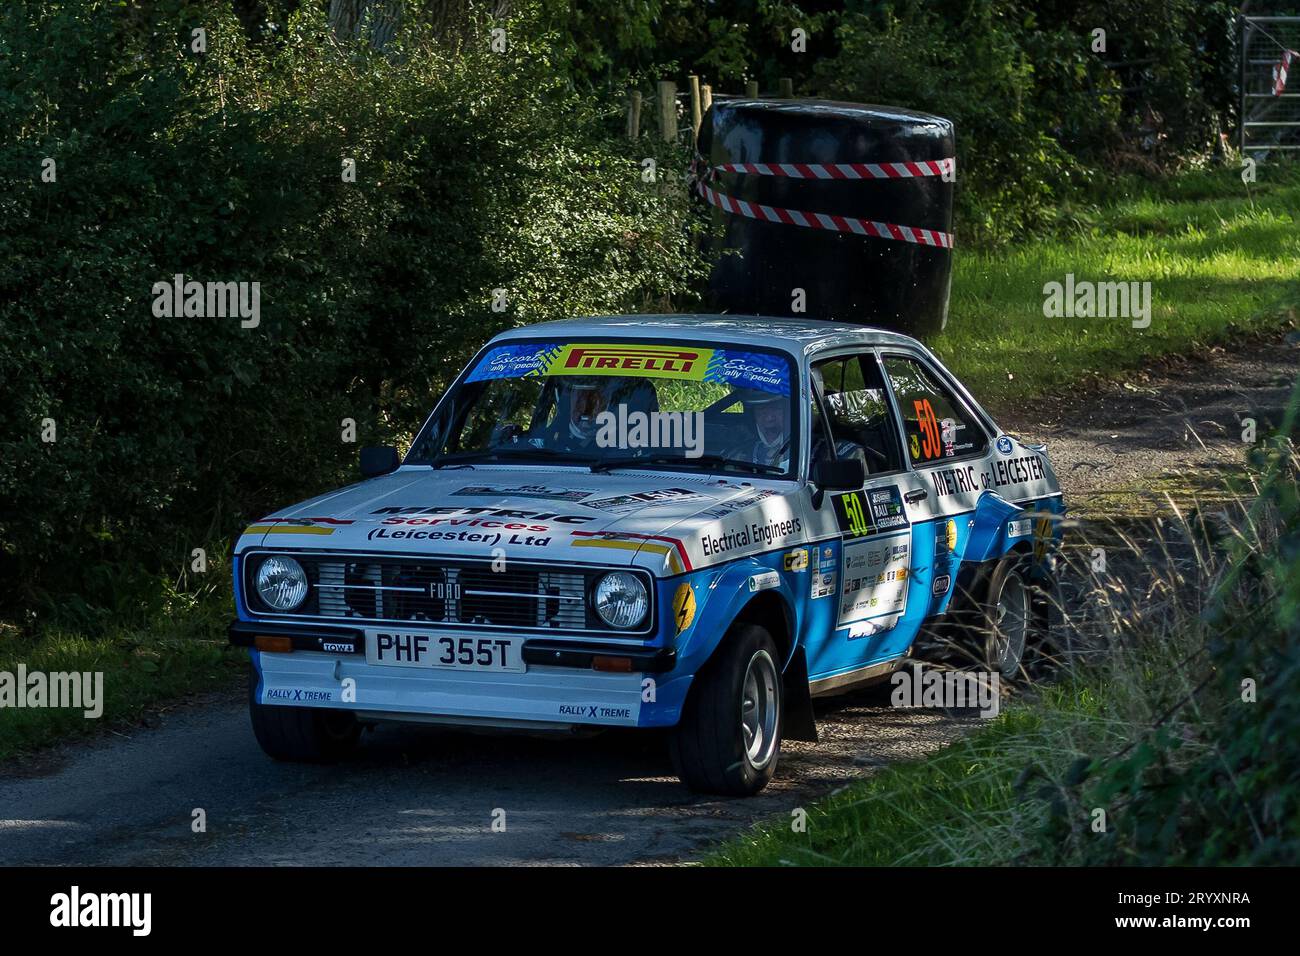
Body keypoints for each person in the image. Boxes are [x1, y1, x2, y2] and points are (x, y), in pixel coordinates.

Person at [732, 391, 791, 469]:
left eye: (776, 409)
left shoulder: (802, 451)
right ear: (753, 417)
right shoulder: (742, 452)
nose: (769, 418)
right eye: (761, 409)